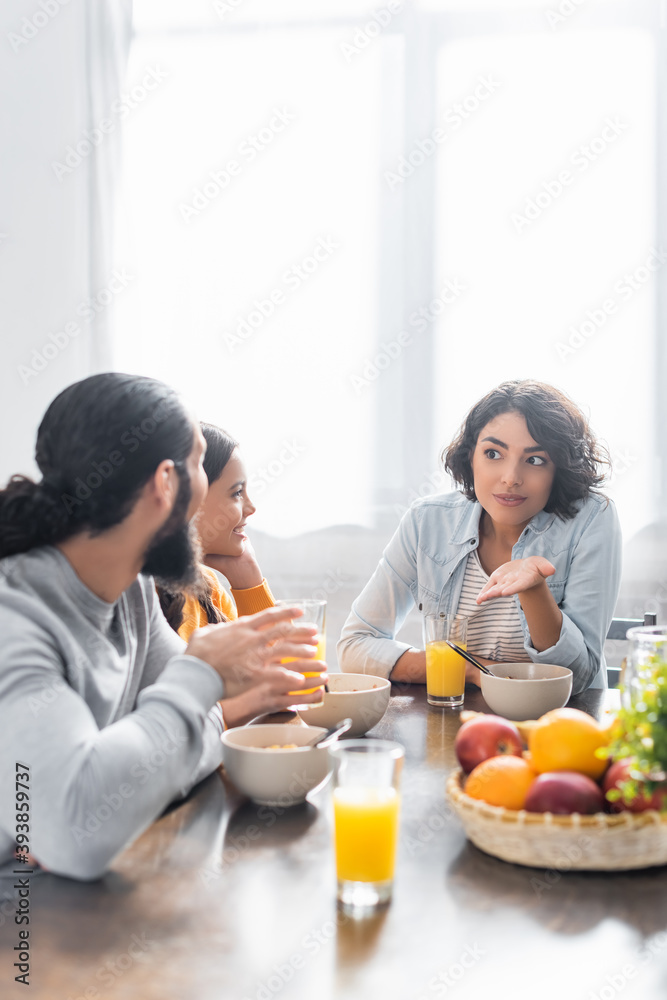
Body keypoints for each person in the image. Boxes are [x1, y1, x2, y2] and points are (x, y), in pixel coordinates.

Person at [0, 373, 325, 881]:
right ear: (164, 483)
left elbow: (181, 736)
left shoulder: (128, 591)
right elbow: (76, 835)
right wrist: (198, 675)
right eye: (199, 463)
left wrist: (111, 782)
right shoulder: (13, 617)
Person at [338, 380, 621, 695]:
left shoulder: (593, 519)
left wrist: (534, 590)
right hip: (454, 722)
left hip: (560, 728)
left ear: (559, 469)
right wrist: (471, 669)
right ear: (470, 456)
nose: (511, 477)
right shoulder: (427, 521)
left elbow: (578, 677)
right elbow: (355, 646)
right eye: (493, 453)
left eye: (536, 460)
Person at [158, 423, 315, 727]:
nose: (251, 507)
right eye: (237, 493)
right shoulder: (142, 596)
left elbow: (291, 682)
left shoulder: (210, 588)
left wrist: (249, 581)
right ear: (189, 497)